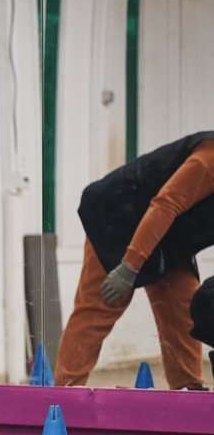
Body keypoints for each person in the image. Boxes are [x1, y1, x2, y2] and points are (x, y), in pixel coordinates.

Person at [55, 132, 214, 390]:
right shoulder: (209, 160)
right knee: (100, 306)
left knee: (184, 309)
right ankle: (64, 391)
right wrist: (129, 267)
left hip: (169, 237)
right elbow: (166, 204)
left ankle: (189, 392)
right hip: (117, 216)